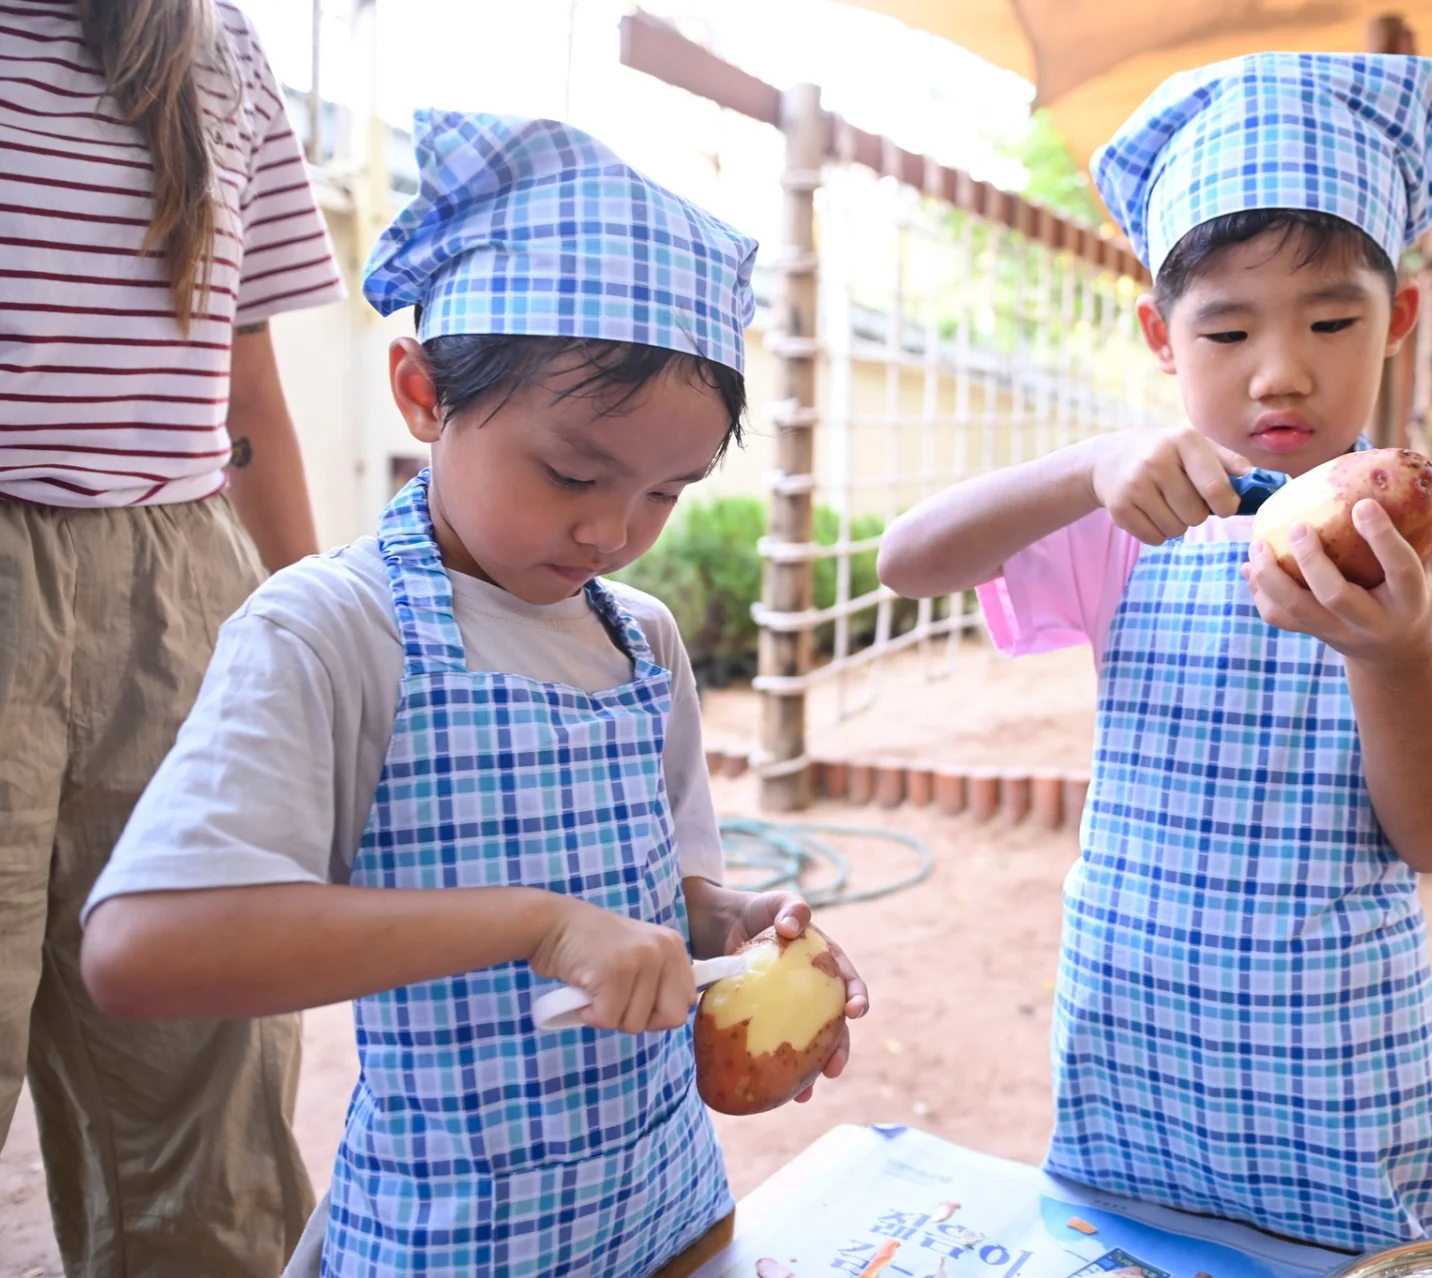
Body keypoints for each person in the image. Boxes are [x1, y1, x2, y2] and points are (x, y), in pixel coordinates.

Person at [79, 109, 868, 1276]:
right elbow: (145, 950)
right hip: (452, 1240)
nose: (612, 530)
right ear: (420, 394)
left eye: (667, 493)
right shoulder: (332, 630)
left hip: (669, 1214)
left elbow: (663, 893)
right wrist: (535, 925)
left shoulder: (641, 640)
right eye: (570, 472)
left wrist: (731, 935)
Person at [877, 53, 1432, 1253]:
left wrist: (1393, 656)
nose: (1281, 369)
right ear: (1159, 333)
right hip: (1127, 1040)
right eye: (1228, 327)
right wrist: (1079, 469)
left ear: (1397, 318)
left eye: (1334, 321)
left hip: (1338, 1065)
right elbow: (908, 562)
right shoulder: (1126, 514)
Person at [1, 0, 343, 1270]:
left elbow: (244, 376)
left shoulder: (219, 43)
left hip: (183, 586)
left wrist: (322, 631)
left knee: (207, 1101)